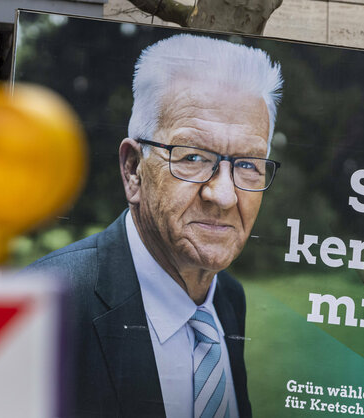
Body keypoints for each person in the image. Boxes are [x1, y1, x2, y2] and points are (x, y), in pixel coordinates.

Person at [24, 34, 283, 418]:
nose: (224, 195)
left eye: (247, 164)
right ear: (133, 170)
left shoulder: (228, 298)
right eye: (193, 156)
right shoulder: (46, 304)